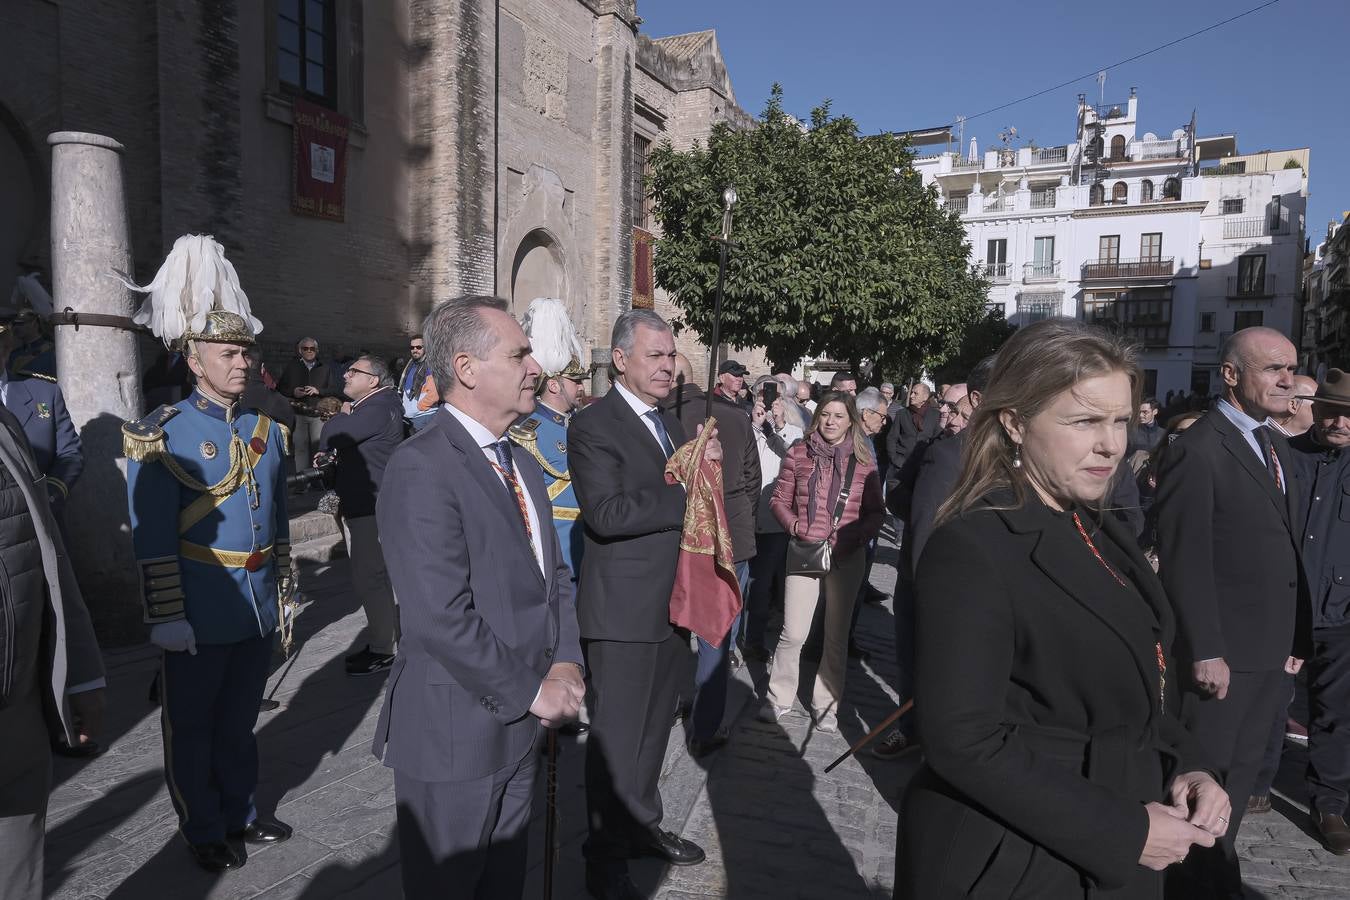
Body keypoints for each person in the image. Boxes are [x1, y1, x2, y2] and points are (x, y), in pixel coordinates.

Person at [897, 318, 1227, 899]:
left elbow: (1144, 683)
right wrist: (1122, 831)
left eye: (1121, 420)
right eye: (1085, 421)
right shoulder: (974, 544)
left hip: (1124, 827)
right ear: (1016, 424)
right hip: (1021, 857)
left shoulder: (1096, 524)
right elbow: (961, 740)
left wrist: (1192, 766)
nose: (1113, 444)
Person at [372, 295, 584, 899]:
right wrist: (533, 690)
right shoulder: (423, 467)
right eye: (518, 354)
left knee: (501, 886)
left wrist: (565, 658)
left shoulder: (523, 463)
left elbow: (555, 579)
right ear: (466, 369)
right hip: (455, 732)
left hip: (520, 724)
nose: (535, 367)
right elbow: (439, 617)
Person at [123, 235, 294, 873]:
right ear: (196, 362)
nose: (243, 364)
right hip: (198, 605)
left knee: (239, 722)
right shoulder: (161, 434)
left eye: (245, 352)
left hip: (251, 611)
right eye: (228, 354)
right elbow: (152, 532)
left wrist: (280, 596)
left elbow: (274, 521)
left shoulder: (266, 432)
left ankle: (242, 812)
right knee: (192, 729)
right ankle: (202, 826)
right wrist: (167, 614)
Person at [570, 309, 720, 899]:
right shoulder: (594, 425)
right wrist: (686, 493)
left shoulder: (674, 424)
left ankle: (642, 825)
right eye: (655, 356)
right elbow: (606, 515)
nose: (668, 366)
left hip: (671, 606)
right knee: (617, 741)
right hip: (623, 614)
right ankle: (603, 859)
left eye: (671, 354)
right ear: (621, 360)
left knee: (656, 732)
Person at [1154, 326, 1308, 898]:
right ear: (1230, 375)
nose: (1287, 380)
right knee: (1205, 785)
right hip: (1222, 660)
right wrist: (1206, 647)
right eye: (1272, 368)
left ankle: (1214, 876)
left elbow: (1287, 549)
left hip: (1269, 656)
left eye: (1291, 368)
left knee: (1239, 785)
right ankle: (1192, 884)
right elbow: (1183, 558)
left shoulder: (1276, 445)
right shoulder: (1198, 449)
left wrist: (1296, 639)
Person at [0, 398, 104, 900]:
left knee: (19, 872)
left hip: (16, 708)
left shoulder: (5, 426)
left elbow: (48, 553)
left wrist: (81, 672)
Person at [759, 391, 883, 731]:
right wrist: (795, 525)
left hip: (847, 555)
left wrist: (856, 537)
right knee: (794, 632)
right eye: (825, 414)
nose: (830, 421)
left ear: (850, 421)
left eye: (839, 416)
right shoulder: (799, 453)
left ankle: (826, 706)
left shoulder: (863, 459)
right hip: (805, 550)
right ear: (817, 418)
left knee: (835, 635)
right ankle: (778, 697)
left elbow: (876, 512)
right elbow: (779, 499)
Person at [667, 352, 759, 757]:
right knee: (715, 632)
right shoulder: (737, 417)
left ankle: (672, 703)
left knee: (673, 626)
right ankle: (705, 726)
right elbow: (754, 480)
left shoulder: (661, 417)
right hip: (729, 532)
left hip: (675, 535)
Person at [1284, 371, 1350, 853]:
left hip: (1342, 616)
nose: (1340, 421)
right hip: (1280, 610)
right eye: (1331, 410)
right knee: (1263, 705)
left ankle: (1329, 805)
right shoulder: (1283, 457)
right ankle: (1246, 786)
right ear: (1314, 409)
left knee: (1335, 714)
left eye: (1349, 415)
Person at [319, 355, 404, 676]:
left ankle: (384, 649)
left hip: (371, 508)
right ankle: (387, 642)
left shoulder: (377, 407)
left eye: (354, 372)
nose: (346, 376)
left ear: (373, 380)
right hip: (367, 504)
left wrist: (339, 414)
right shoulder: (376, 405)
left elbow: (334, 435)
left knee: (371, 578)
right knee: (375, 578)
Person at [509, 298, 591, 580]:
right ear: (554, 384)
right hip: (556, 544)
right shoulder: (530, 430)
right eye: (576, 381)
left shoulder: (576, 424)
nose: (581, 388)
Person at [0, 320, 82, 514]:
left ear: (6, 350)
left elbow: (69, 453)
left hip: (37, 519)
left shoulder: (44, 393)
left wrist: (49, 496)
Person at [277, 337, 342, 475]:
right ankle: (302, 479)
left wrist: (319, 391)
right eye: (305, 348)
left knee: (318, 447)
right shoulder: (292, 367)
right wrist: (293, 392)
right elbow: (280, 388)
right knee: (300, 448)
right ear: (300, 351)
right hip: (298, 413)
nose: (309, 351)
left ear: (317, 351)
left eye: (312, 348)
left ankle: (318, 478)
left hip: (318, 414)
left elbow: (335, 389)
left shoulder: (325, 368)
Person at [885, 382, 940, 492]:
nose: (911, 396)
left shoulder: (935, 415)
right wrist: (895, 459)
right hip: (899, 467)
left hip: (922, 469)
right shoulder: (902, 414)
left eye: (915, 393)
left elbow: (937, 439)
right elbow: (892, 438)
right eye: (911, 393)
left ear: (925, 397)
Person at [397, 334, 434, 431]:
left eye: (418, 347)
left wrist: (419, 407)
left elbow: (434, 394)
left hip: (423, 416)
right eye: (412, 347)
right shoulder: (411, 363)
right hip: (410, 416)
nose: (415, 350)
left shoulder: (430, 365)